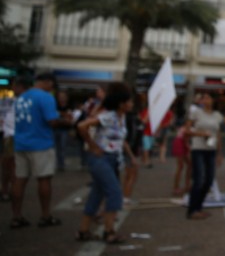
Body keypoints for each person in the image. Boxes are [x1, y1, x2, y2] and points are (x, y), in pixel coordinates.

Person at [75, 82, 136, 244]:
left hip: (113, 159)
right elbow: (82, 126)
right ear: (122, 104)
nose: (132, 104)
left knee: (97, 194)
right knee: (114, 193)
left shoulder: (121, 118)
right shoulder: (108, 116)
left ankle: (83, 230)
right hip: (101, 159)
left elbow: (120, 141)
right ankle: (109, 231)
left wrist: (130, 156)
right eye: (129, 101)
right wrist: (93, 146)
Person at [11, 72, 71, 229]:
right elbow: (51, 121)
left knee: (19, 179)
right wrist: (66, 121)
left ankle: (16, 216)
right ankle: (45, 216)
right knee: (44, 179)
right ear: (47, 82)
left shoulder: (22, 97)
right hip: (40, 143)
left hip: (21, 143)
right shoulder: (46, 97)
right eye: (52, 85)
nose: (52, 88)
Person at [185, 91, 223, 220]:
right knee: (199, 179)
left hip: (211, 149)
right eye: (203, 98)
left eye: (208, 97)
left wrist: (219, 153)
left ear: (213, 100)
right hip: (199, 148)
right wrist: (201, 134)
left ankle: (199, 206)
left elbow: (218, 134)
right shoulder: (196, 112)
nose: (205, 100)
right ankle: (192, 209)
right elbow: (187, 130)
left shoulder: (217, 115)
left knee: (209, 179)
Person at [53, 91, 72, 172]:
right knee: (56, 147)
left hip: (64, 130)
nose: (62, 98)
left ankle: (62, 164)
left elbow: (70, 118)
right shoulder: (55, 105)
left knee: (63, 147)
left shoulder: (69, 106)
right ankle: (58, 164)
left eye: (63, 96)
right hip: (55, 129)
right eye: (60, 96)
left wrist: (61, 115)